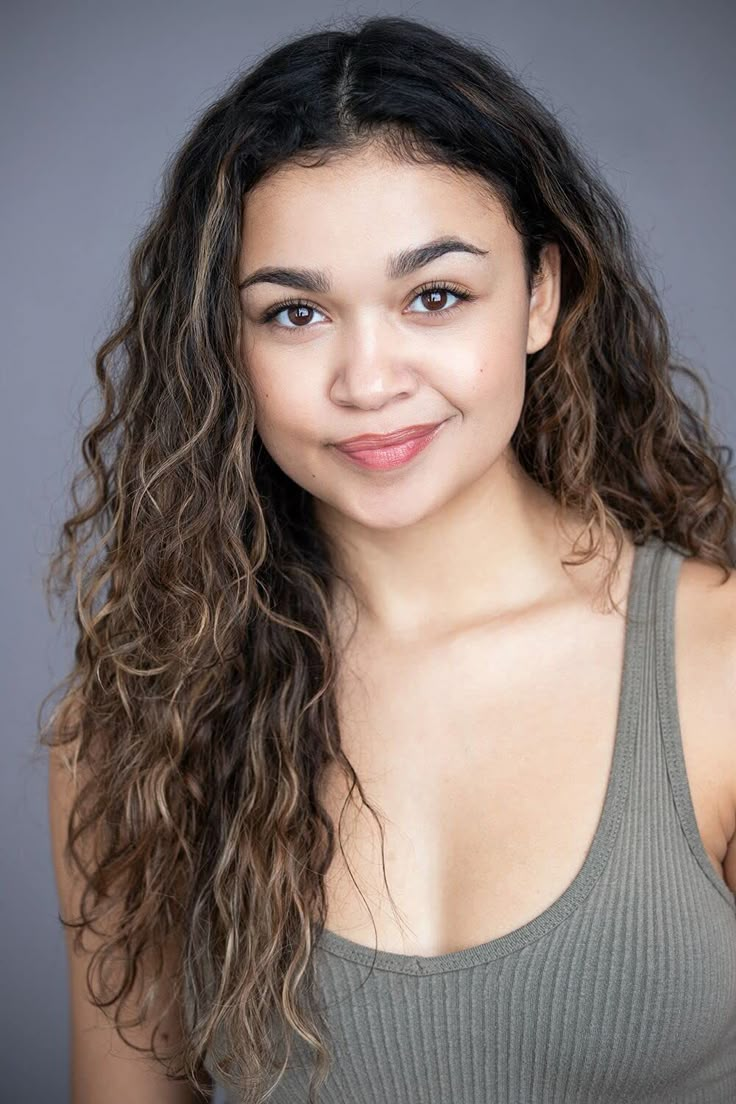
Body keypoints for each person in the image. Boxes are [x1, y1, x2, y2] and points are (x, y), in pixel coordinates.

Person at [42, 13, 736, 1104]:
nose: (368, 380)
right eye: (295, 312)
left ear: (541, 296)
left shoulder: (720, 666)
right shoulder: (139, 717)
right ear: (226, 346)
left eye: (435, 296)